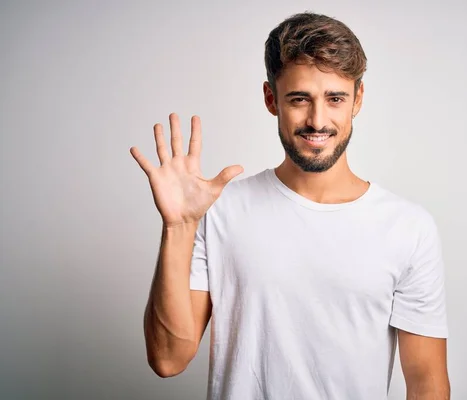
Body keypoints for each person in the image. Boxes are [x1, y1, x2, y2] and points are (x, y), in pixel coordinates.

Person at [130, 11, 450, 400]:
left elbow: (427, 383)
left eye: (335, 98)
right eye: (300, 99)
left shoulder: (408, 228)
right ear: (271, 99)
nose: (318, 120)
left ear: (358, 100)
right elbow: (168, 359)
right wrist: (178, 227)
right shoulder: (220, 211)